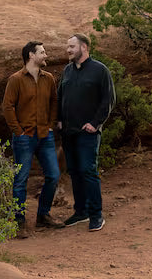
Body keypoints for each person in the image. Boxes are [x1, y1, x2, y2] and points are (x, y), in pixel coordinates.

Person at [2, 41, 64, 238]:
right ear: (31, 55)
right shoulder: (16, 79)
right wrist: (18, 131)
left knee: (53, 176)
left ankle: (43, 215)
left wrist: (51, 124)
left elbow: (54, 101)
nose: (46, 55)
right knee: (21, 180)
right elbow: (7, 106)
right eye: (42, 52)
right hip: (24, 138)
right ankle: (18, 221)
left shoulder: (49, 79)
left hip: (45, 136)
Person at [57, 33, 116, 232]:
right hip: (68, 132)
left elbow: (108, 100)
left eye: (72, 46)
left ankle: (96, 215)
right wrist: (58, 119)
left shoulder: (100, 70)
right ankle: (80, 211)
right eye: (68, 47)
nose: (68, 50)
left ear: (84, 47)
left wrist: (95, 123)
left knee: (88, 171)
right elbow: (60, 97)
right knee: (74, 172)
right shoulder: (67, 71)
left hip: (88, 133)